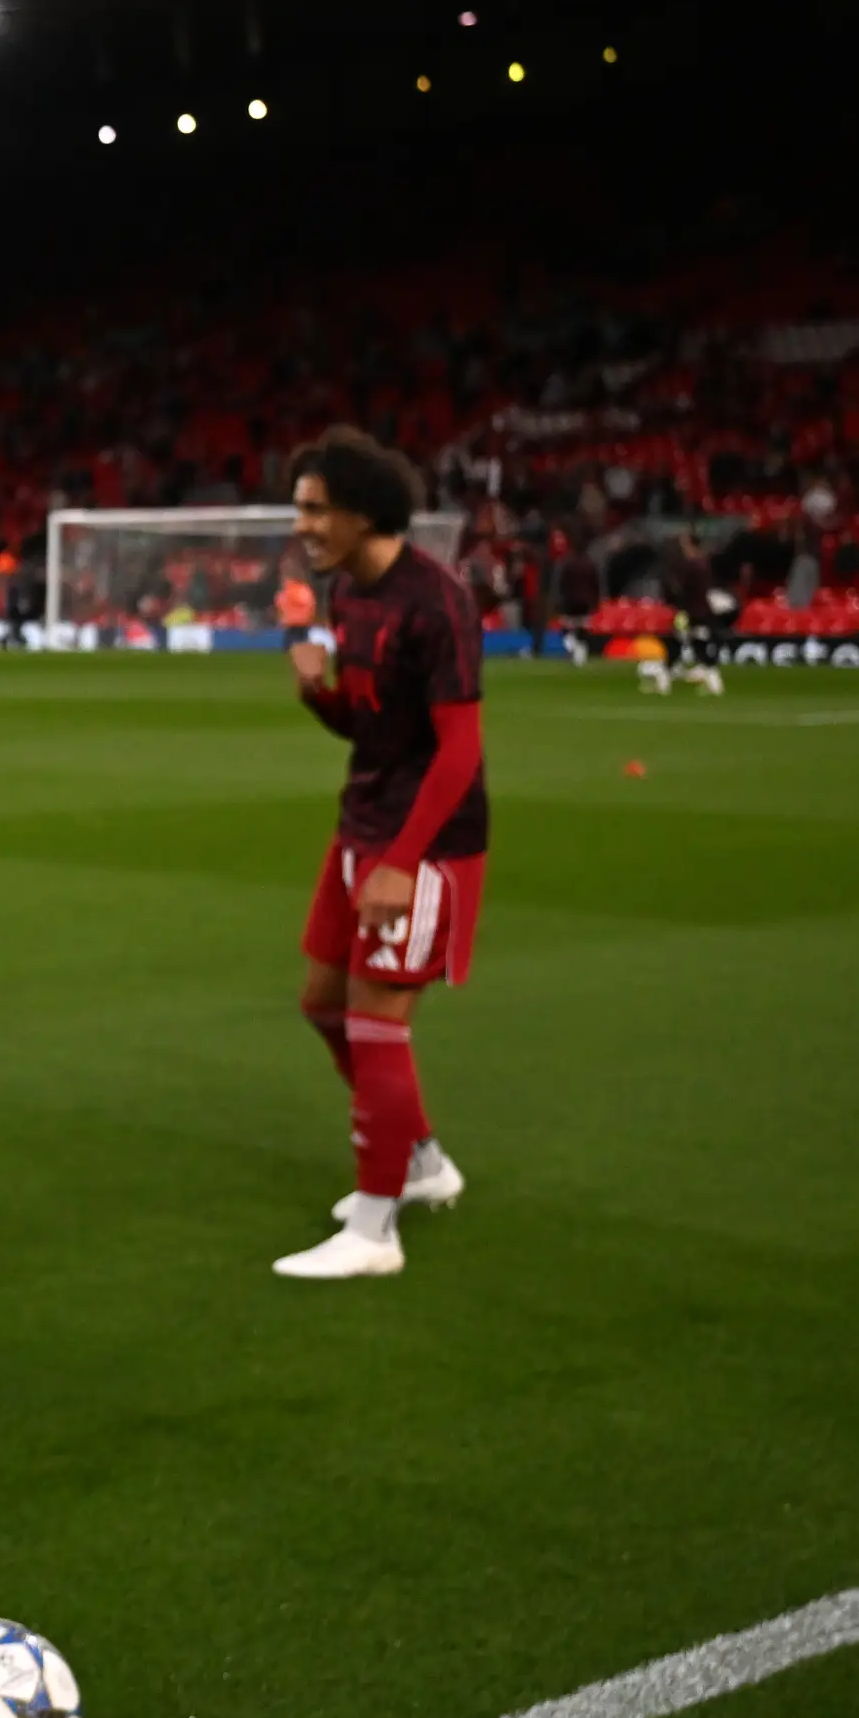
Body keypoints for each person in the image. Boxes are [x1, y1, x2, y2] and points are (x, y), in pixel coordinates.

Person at [277, 425, 486, 1282]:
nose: (302, 526)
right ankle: (421, 1161)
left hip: (425, 844)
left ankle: (374, 1231)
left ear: (364, 513)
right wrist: (315, 695)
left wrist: (403, 861)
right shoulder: (347, 595)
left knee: (376, 1019)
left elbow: (460, 749)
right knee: (323, 1005)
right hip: (361, 824)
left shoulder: (436, 602)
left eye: (315, 509)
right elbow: (370, 728)